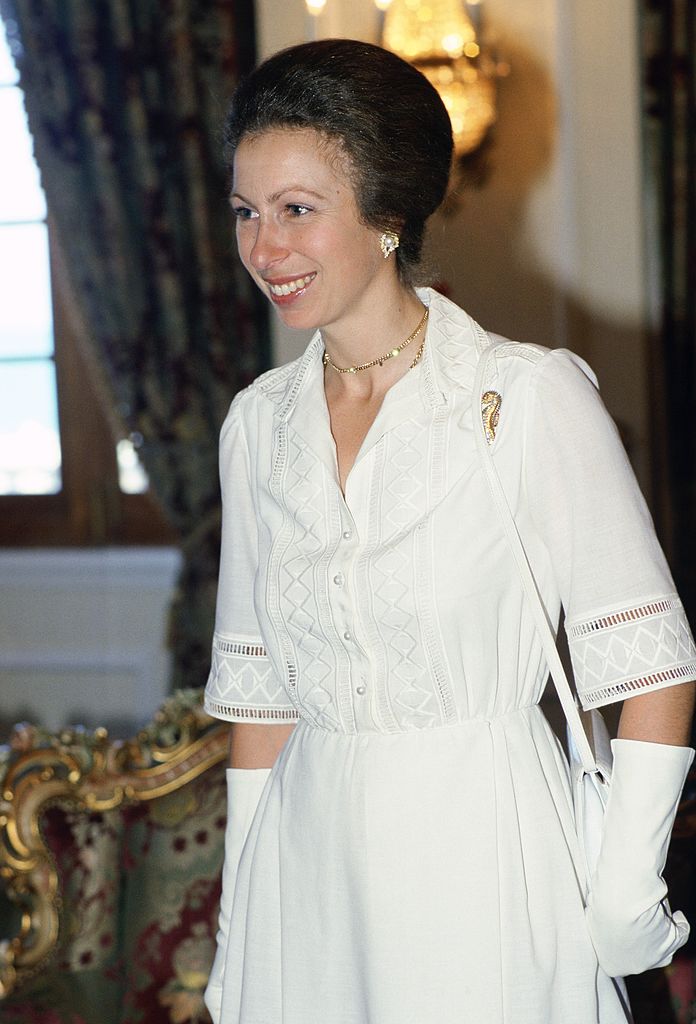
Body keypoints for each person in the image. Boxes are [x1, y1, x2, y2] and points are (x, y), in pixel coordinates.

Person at [203, 38, 696, 1024]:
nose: (265, 250)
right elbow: (262, 701)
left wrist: (622, 897)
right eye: (248, 214)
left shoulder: (523, 399)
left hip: (484, 861)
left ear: (387, 217)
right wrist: (236, 929)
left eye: (298, 211)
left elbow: (651, 665)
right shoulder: (258, 426)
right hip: (307, 877)